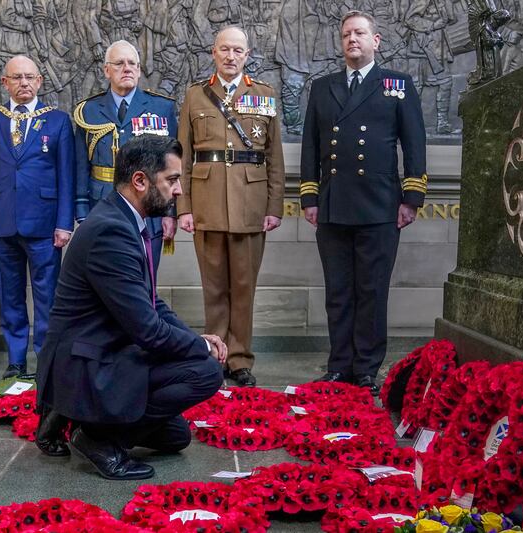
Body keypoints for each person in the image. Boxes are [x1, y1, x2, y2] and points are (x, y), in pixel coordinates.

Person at [35, 135, 225, 478]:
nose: (179, 190)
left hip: (101, 348)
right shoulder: (111, 230)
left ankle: (68, 415)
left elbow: (152, 302)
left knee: (176, 437)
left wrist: (200, 338)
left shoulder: (123, 218)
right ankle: (94, 437)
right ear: (140, 181)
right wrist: (201, 348)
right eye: (171, 179)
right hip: (87, 363)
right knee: (206, 372)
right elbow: (147, 330)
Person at [299, 11, 428, 395]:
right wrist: (310, 196)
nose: (352, 39)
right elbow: (311, 147)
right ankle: (339, 365)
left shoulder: (397, 85)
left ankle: (367, 369)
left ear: (377, 40)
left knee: (372, 291)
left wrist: (412, 198)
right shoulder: (323, 87)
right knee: (338, 292)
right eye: (346, 35)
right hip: (334, 205)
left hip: (380, 206)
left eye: (359, 33)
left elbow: (414, 144)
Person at [177, 26, 285, 387]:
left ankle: (239, 358)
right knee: (213, 287)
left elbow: (274, 158)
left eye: (238, 50)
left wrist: (274, 206)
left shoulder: (264, 95)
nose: (231, 56)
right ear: (214, 52)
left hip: (250, 204)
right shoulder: (195, 96)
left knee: (243, 286)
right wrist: (184, 208)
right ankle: (214, 354)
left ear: (247, 55)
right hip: (206, 202)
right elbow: (183, 157)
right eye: (224, 49)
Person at [0, 55, 75, 379]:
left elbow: (66, 178)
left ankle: (45, 359)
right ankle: (16, 359)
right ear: (5, 82)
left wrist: (64, 223)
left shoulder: (58, 121)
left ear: (40, 81)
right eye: (16, 78)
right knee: (9, 294)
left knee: (47, 297)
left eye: (30, 77)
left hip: (45, 225)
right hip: (2, 222)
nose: (24, 83)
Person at [74, 40, 177, 276]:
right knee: (103, 279)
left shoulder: (162, 108)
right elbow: (81, 165)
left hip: (148, 207)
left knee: (145, 279)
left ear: (139, 70)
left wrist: (169, 212)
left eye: (132, 63)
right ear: (106, 71)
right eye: (119, 63)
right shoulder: (87, 111)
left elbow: (172, 168)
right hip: (101, 204)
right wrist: (81, 208)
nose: (127, 68)